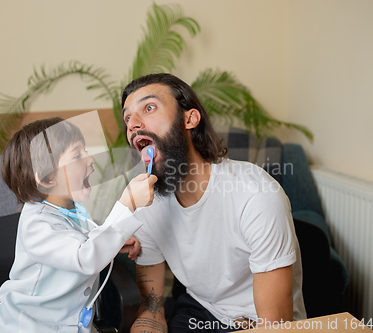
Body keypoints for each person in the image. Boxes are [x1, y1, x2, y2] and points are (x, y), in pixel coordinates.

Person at [121, 73, 306, 332]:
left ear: (190, 119)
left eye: (149, 108)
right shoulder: (146, 203)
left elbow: (274, 324)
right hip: (199, 308)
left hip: (256, 321)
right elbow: (152, 310)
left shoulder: (255, 194)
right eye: (127, 118)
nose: (133, 124)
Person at [0, 117, 157, 333]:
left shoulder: (73, 210)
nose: (90, 159)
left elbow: (83, 241)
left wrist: (115, 242)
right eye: (77, 155)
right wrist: (128, 205)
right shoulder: (36, 224)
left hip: (72, 324)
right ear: (49, 178)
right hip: (29, 326)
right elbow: (83, 257)